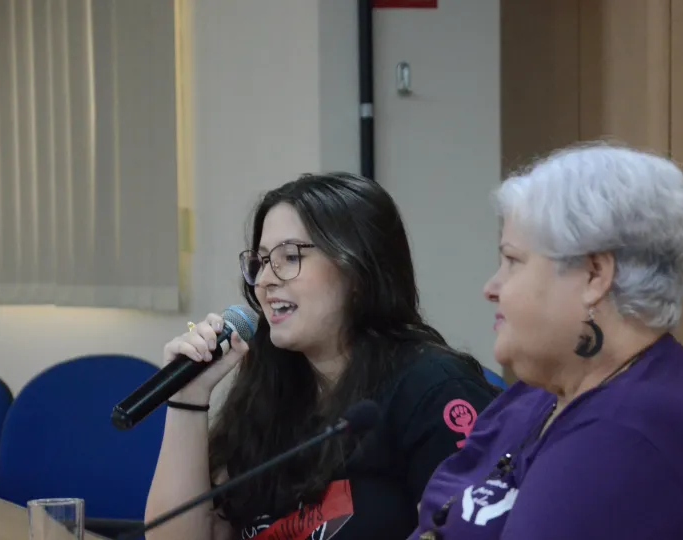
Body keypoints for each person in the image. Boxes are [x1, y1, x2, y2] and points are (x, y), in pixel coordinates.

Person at [411, 143, 683, 539]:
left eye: (513, 261)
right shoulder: (541, 395)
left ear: (594, 275)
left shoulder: (622, 442)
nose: (492, 288)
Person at [145, 172, 501, 540]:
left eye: (290, 256)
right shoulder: (268, 389)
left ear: (358, 269)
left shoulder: (432, 388)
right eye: (263, 260)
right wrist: (188, 399)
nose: (266, 279)